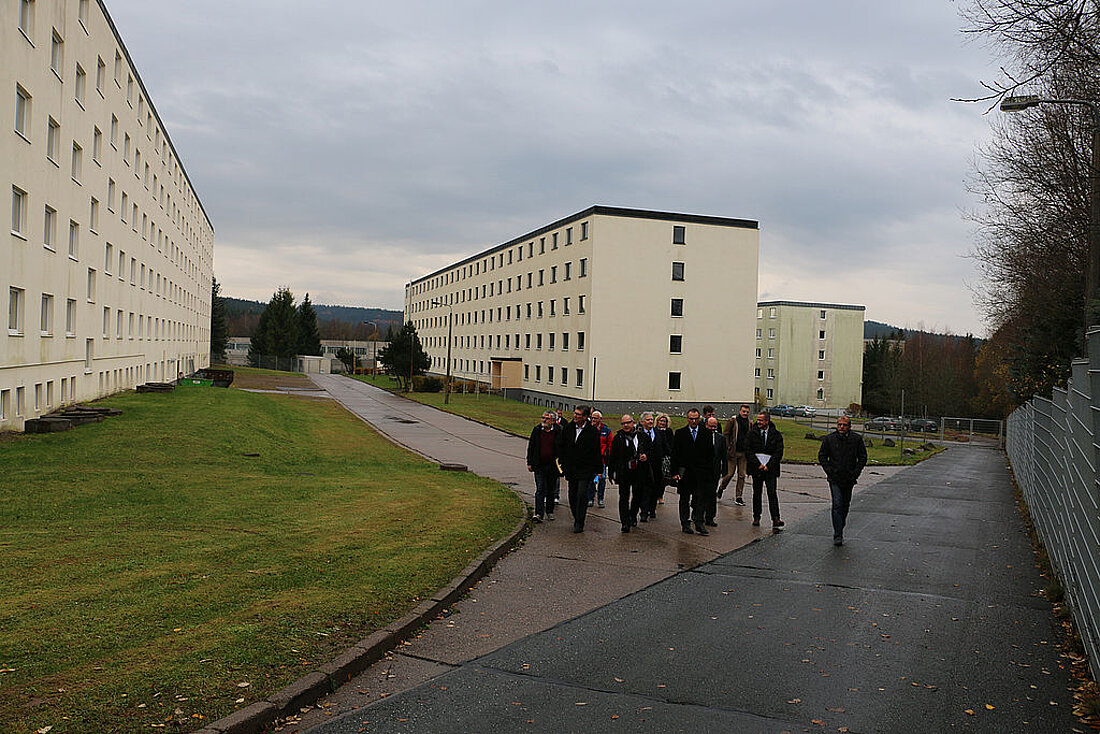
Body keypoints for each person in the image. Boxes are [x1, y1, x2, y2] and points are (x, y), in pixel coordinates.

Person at [818, 415, 867, 546]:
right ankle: (837, 534)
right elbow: (822, 456)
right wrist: (829, 471)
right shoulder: (830, 439)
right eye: (839, 425)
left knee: (845, 504)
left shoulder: (856, 439)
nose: (841, 427)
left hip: (849, 478)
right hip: (835, 478)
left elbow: (862, 457)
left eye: (844, 425)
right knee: (837, 503)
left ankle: (840, 525)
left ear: (849, 427)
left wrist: (855, 472)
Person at [556, 405, 603, 533]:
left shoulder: (592, 431)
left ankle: (580, 521)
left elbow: (596, 451)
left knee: (582, 494)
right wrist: (562, 463)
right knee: (572, 494)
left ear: (585, 417)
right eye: (575, 414)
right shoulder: (568, 428)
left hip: (585, 469)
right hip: (571, 468)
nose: (575, 416)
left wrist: (599, 469)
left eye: (579, 414)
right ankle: (576, 516)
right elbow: (562, 446)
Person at [607, 414, 653, 532]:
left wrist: (645, 456)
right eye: (623, 423)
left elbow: (650, 451)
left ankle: (633, 514)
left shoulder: (642, 437)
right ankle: (625, 522)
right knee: (624, 497)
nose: (626, 425)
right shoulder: (619, 438)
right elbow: (613, 456)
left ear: (633, 423)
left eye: (628, 423)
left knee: (637, 495)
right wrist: (611, 472)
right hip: (624, 472)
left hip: (639, 471)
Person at [671, 408, 713, 535]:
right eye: (691, 419)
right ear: (687, 419)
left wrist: (709, 472)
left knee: (700, 498)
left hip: (700, 472)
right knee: (684, 498)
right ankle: (685, 523)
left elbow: (710, 454)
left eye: (696, 419)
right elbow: (675, 454)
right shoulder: (680, 433)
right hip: (685, 472)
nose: (693, 421)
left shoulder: (706, 433)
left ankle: (699, 522)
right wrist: (674, 472)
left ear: (699, 418)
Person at [747, 410, 785, 531]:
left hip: (770, 469)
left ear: (767, 421)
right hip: (757, 468)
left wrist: (769, 465)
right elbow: (748, 450)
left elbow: (778, 452)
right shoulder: (752, 434)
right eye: (757, 420)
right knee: (757, 493)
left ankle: (775, 518)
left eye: (761, 420)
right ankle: (756, 517)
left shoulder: (776, 435)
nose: (758, 422)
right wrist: (758, 464)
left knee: (772, 493)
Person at [526, 411, 562, 522]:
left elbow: (562, 447)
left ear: (553, 421)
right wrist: (529, 462)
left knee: (551, 490)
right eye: (543, 418)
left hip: (552, 466)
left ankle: (549, 511)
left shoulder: (558, 431)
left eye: (547, 418)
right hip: (539, 465)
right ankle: (538, 513)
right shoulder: (537, 430)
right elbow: (531, 446)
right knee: (540, 489)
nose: (544, 420)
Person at [719, 404, 751, 506]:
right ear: (740, 411)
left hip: (743, 453)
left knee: (742, 475)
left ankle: (739, 496)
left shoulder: (750, 423)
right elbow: (726, 434)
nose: (745, 413)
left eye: (747, 412)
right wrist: (728, 448)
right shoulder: (732, 421)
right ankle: (721, 488)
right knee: (729, 474)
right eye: (743, 411)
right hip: (733, 452)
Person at [703, 416, 728, 527]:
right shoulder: (700, 437)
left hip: (715, 471)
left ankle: (710, 517)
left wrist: (724, 470)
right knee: (700, 494)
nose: (713, 428)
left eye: (715, 426)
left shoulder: (720, 438)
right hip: (702, 470)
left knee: (712, 495)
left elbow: (724, 455)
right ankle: (697, 515)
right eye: (710, 426)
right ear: (706, 426)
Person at [637, 412, 662, 520]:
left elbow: (664, 447)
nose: (651, 421)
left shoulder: (658, 433)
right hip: (643, 466)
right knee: (645, 489)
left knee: (655, 488)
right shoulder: (638, 434)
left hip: (656, 465)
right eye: (648, 420)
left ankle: (652, 509)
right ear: (642, 422)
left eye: (652, 419)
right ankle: (644, 512)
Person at [588, 411, 612, 508]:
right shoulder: (588, 429)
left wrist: (608, 457)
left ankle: (600, 499)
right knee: (590, 479)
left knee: (601, 479)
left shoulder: (606, 430)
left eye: (596, 418)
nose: (593, 420)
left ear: (600, 419)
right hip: (590, 460)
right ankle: (590, 498)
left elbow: (610, 444)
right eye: (592, 418)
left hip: (601, 460)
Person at [654, 413, 675, 507]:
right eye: (661, 421)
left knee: (664, 479)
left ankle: (660, 495)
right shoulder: (653, 431)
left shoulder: (669, 432)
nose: (662, 423)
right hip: (656, 457)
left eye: (664, 421)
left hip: (666, 458)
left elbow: (670, 445)